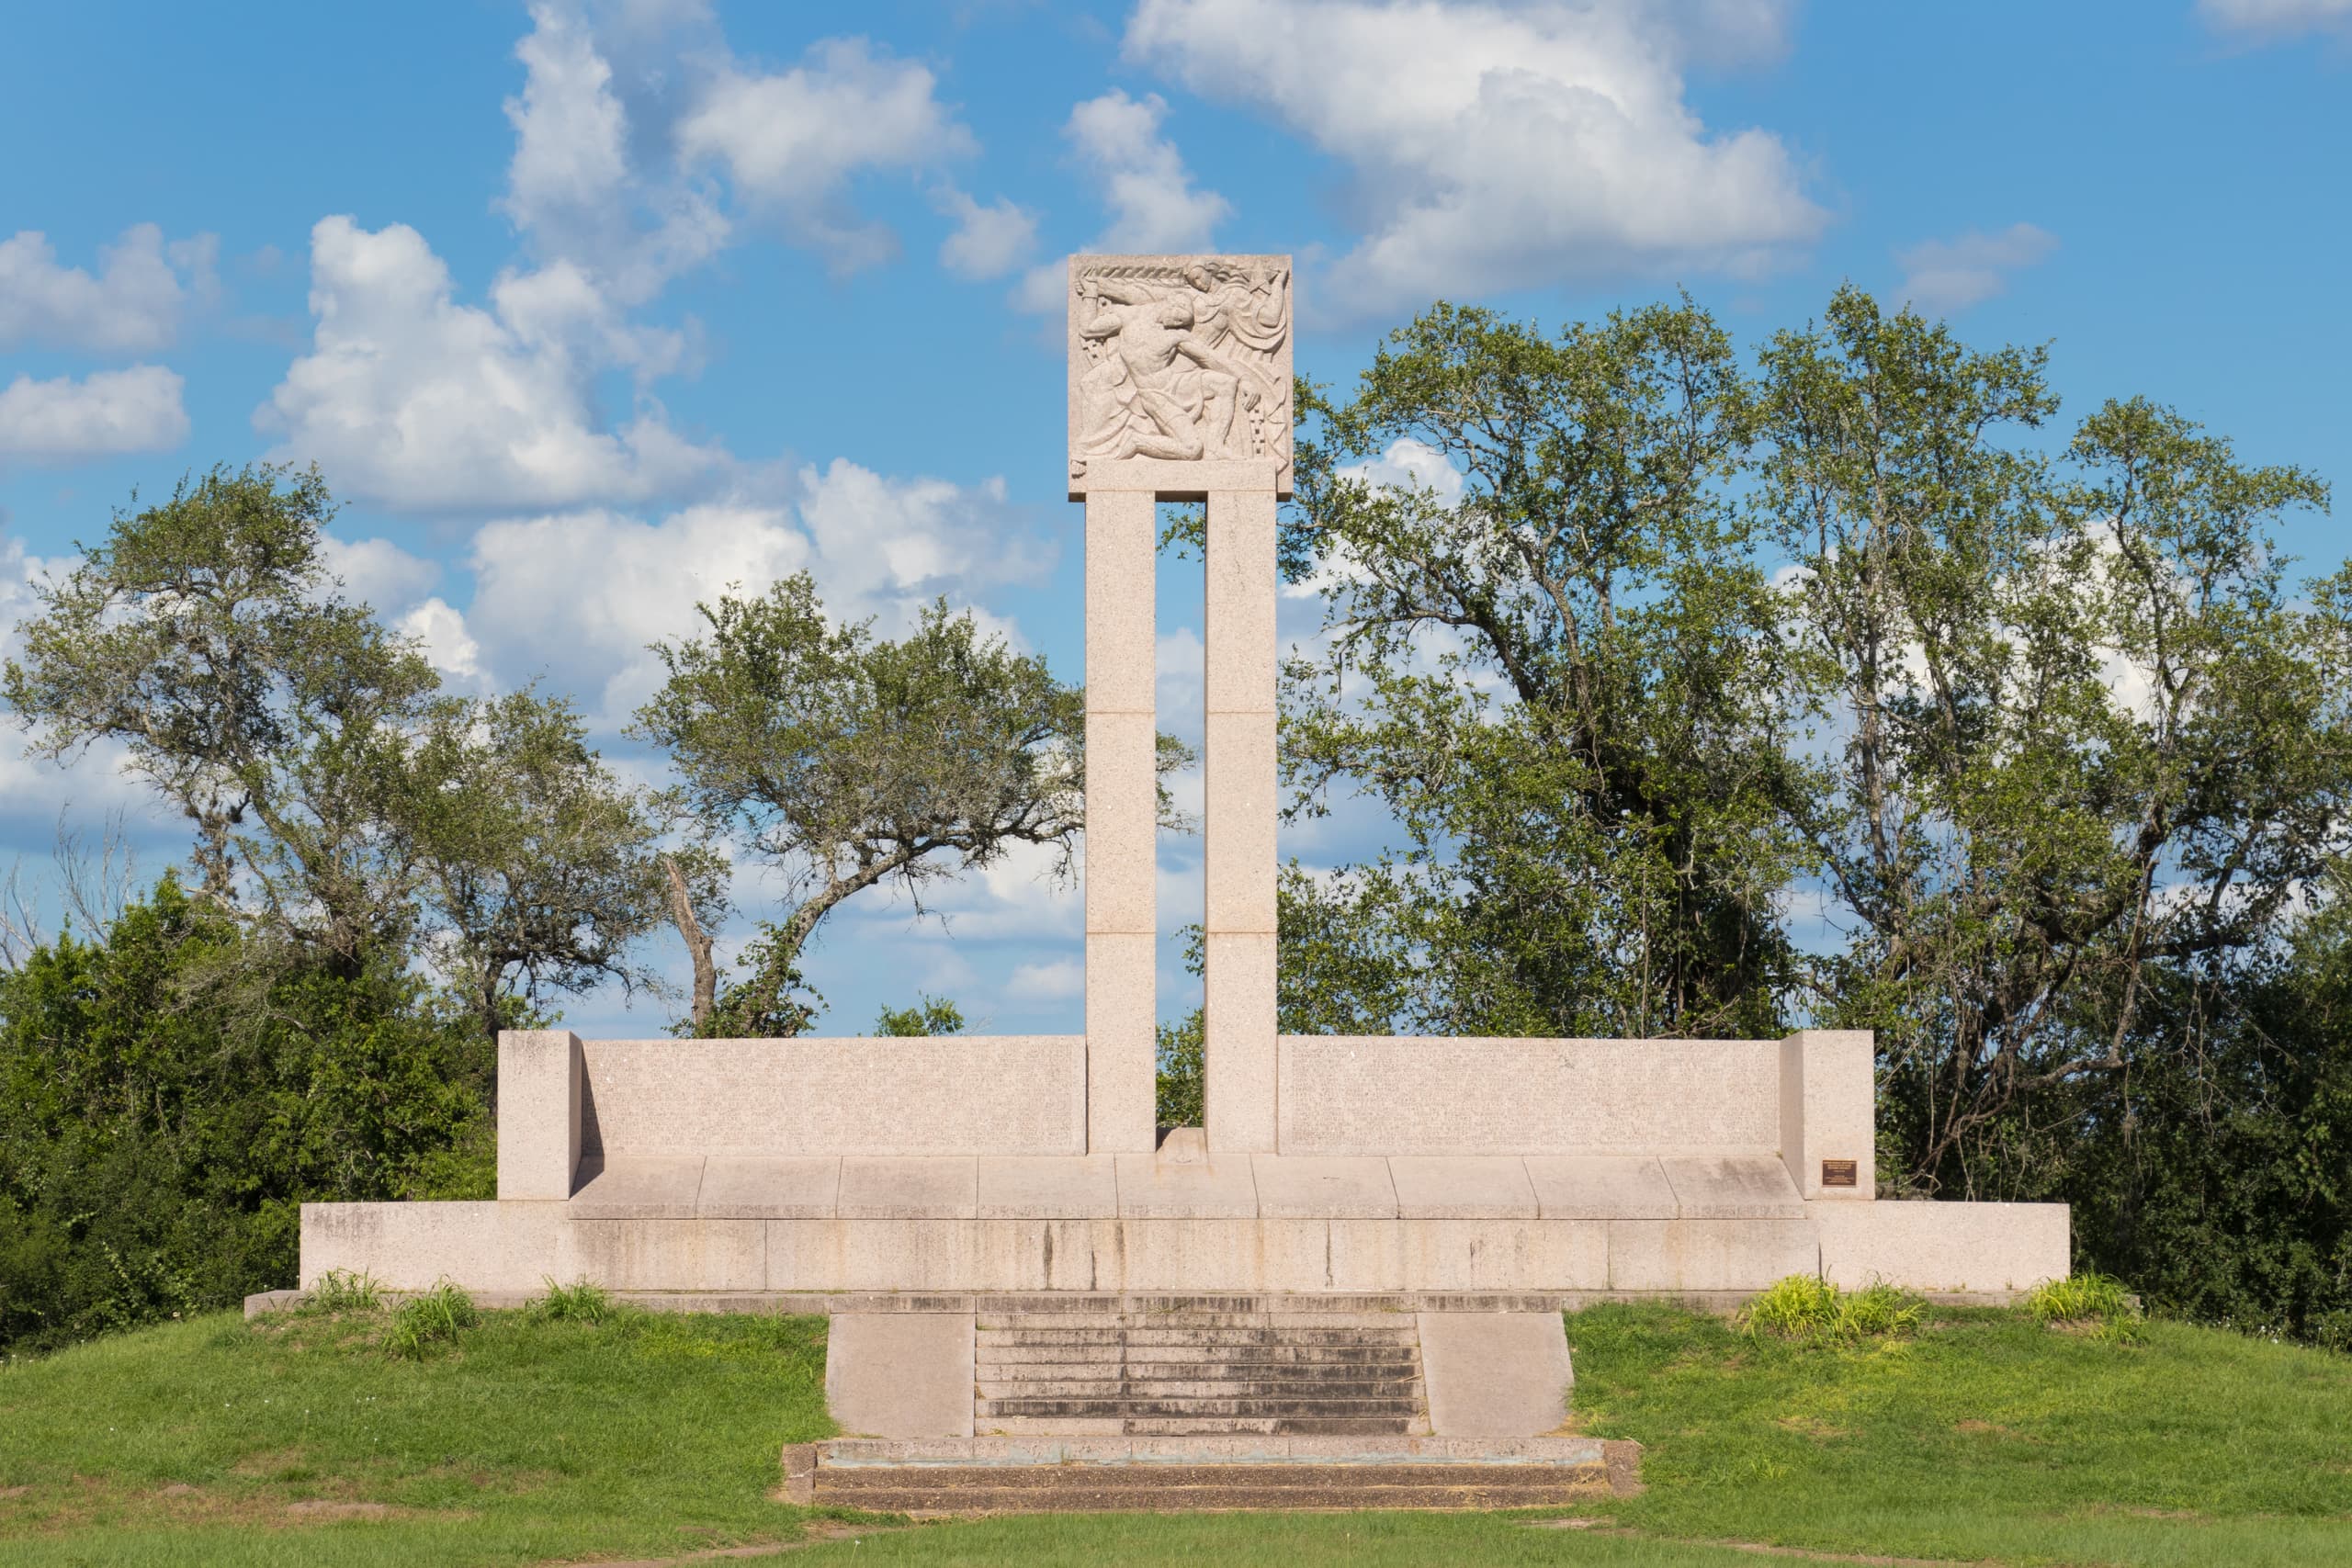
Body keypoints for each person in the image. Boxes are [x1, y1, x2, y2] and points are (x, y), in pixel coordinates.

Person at [1073, 275, 1272, 462]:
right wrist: (1090, 294)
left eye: (1183, 322)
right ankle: (1136, 441)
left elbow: (1210, 358)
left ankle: (1216, 447)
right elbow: (1089, 329)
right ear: (1170, 303)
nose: (1179, 324)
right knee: (1192, 449)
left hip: (1176, 384)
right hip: (1154, 394)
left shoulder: (1176, 335)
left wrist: (1244, 378)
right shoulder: (1130, 316)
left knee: (1225, 383)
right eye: (1179, 318)